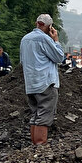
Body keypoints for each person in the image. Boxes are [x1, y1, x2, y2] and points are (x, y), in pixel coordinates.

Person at [19, 14, 64, 145]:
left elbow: (22, 61)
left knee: (35, 115)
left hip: (31, 83)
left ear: (36, 23)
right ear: (49, 26)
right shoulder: (44, 39)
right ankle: (40, 147)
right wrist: (55, 40)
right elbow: (59, 57)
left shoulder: (25, 39)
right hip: (45, 83)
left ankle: (34, 148)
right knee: (44, 116)